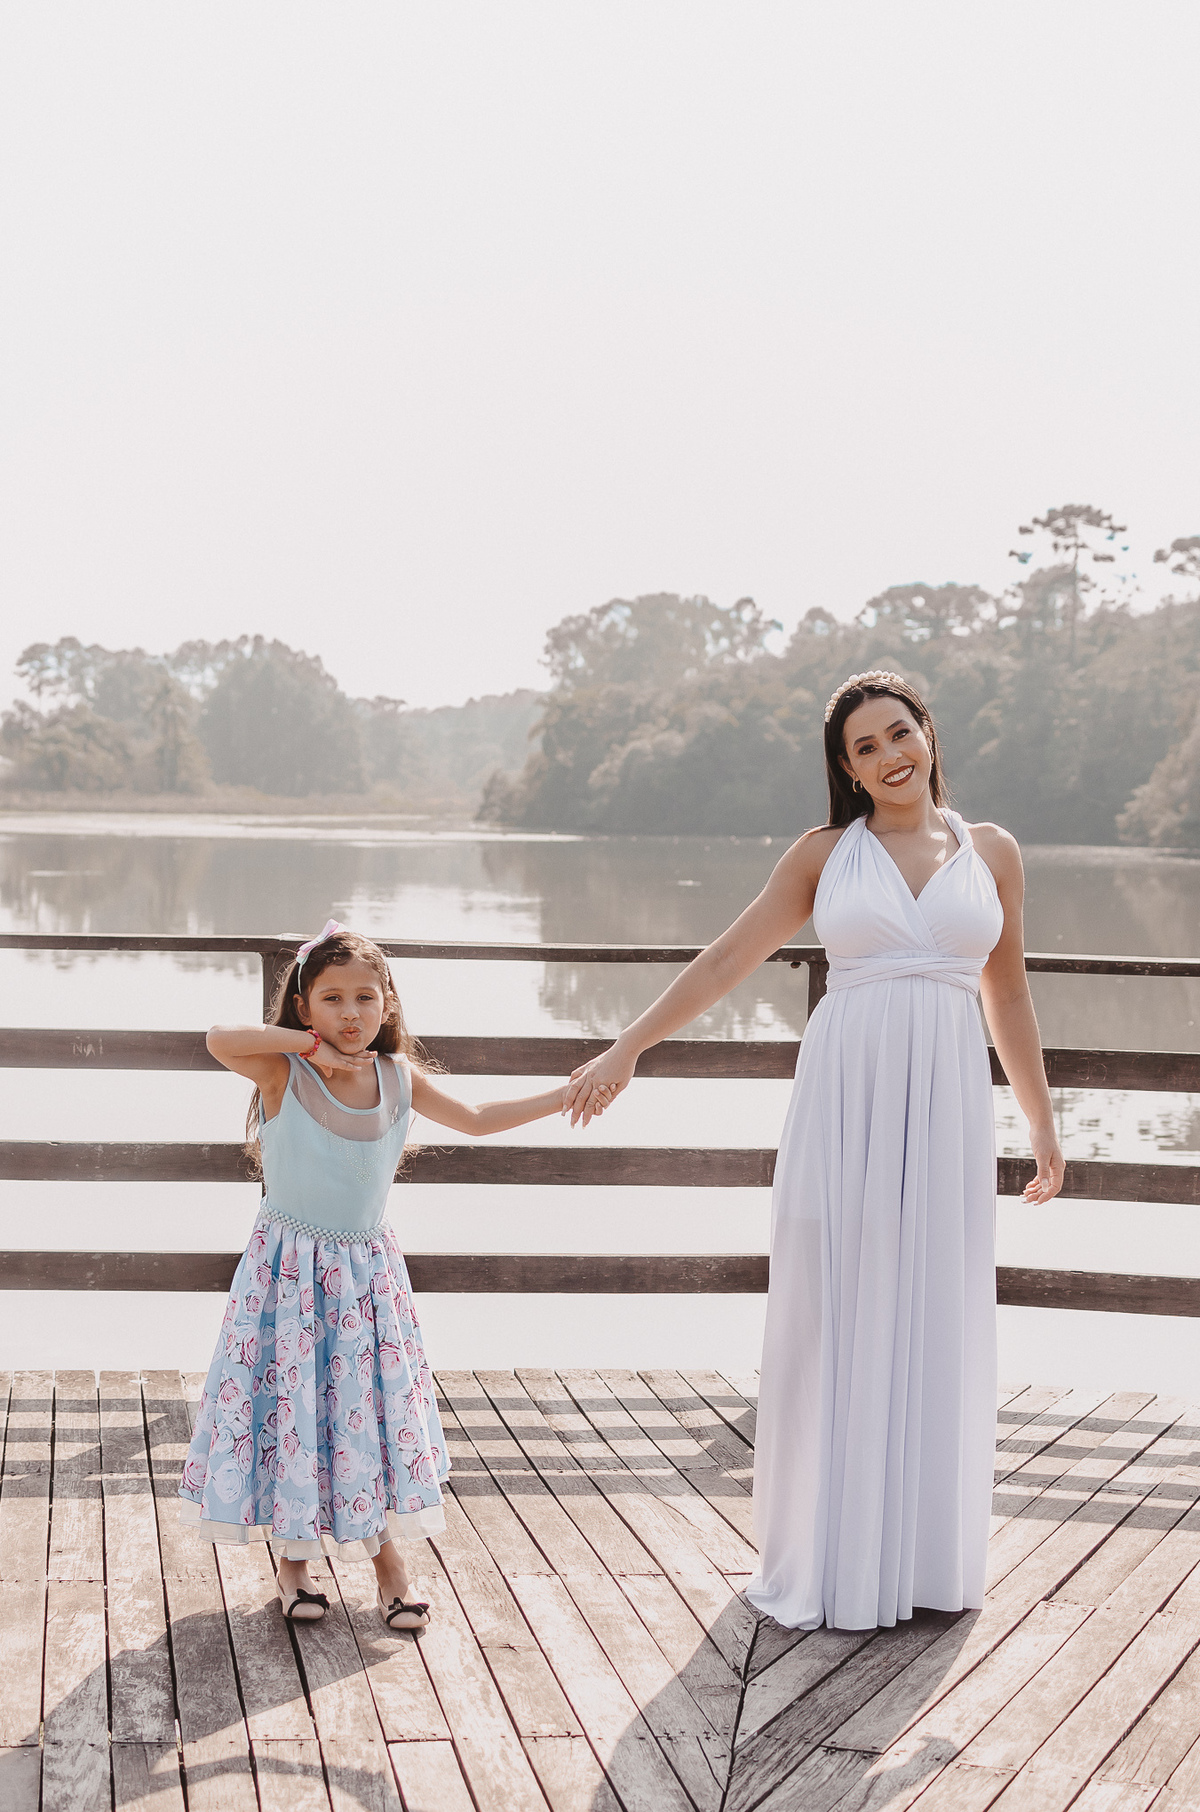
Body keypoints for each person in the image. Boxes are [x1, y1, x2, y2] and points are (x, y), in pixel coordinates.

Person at [566, 671, 1065, 1632]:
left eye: (899, 732)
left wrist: (1040, 1122)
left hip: (948, 1104)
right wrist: (629, 1045)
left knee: (933, 1300)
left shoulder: (992, 851)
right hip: (848, 1097)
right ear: (847, 769)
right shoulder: (825, 855)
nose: (890, 756)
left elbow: (1006, 992)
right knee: (843, 1298)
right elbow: (727, 959)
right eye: (865, 748)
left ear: (928, 733)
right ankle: (836, 1553)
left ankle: (919, 1560)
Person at [180, 921, 578, 1631]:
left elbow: (478, 1118)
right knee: (294, 1411)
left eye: (365, 997)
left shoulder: (397, 1078)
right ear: (304, 1006)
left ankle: (389, 1565)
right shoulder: (285, 1073)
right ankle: (294, 1562)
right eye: (331, 998)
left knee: (366, 1416)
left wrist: (567, 1095)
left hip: (366, 1282)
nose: (350, 1013)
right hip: (288, 1279)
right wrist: (308, 1048)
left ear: (388, 1003)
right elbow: (219, 1038)